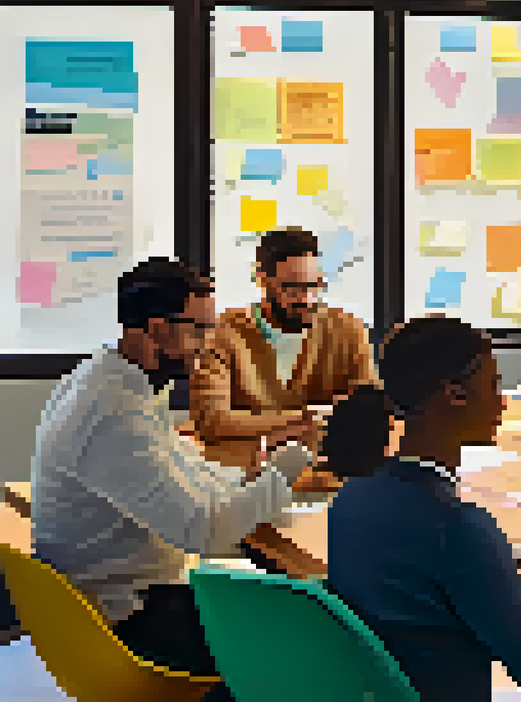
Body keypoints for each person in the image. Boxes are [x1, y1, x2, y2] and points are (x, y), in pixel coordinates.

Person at [29, 258, 317, 702]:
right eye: (199, 329)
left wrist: (255, 478)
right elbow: (205, 532)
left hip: (117, 600)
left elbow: (187, 468)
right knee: (306, 642)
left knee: (284, 610)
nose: (208, 344)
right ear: (159, 328)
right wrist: (293, 463)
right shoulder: (112, 412)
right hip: (129, 619)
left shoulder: (115, 382)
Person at [322, 315, 521, 701]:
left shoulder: (350, 498)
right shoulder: (459, 526)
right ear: (455, 394)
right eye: (492, 386)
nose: (502, 400)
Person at [190, 226, 378, 476]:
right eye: (292, 287)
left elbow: (368, 418)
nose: (307, 299)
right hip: (239, 478)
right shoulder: (223, 332)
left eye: (315, 286)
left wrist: (259, 427)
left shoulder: (348, 330)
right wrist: (305, 419)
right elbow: (212, 422)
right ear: (261, 279)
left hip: (326, 477)